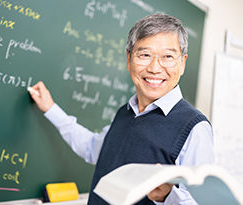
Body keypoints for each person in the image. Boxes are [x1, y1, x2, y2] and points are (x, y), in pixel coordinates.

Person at [29, 13, 214, 205]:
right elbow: (93, 148)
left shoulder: (195, 128)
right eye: (144, 55)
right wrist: (51, 109)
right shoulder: (125, 113)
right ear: (129, 59)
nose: (155, 68)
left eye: (168, 56)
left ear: (182, 63)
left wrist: (168, 196)